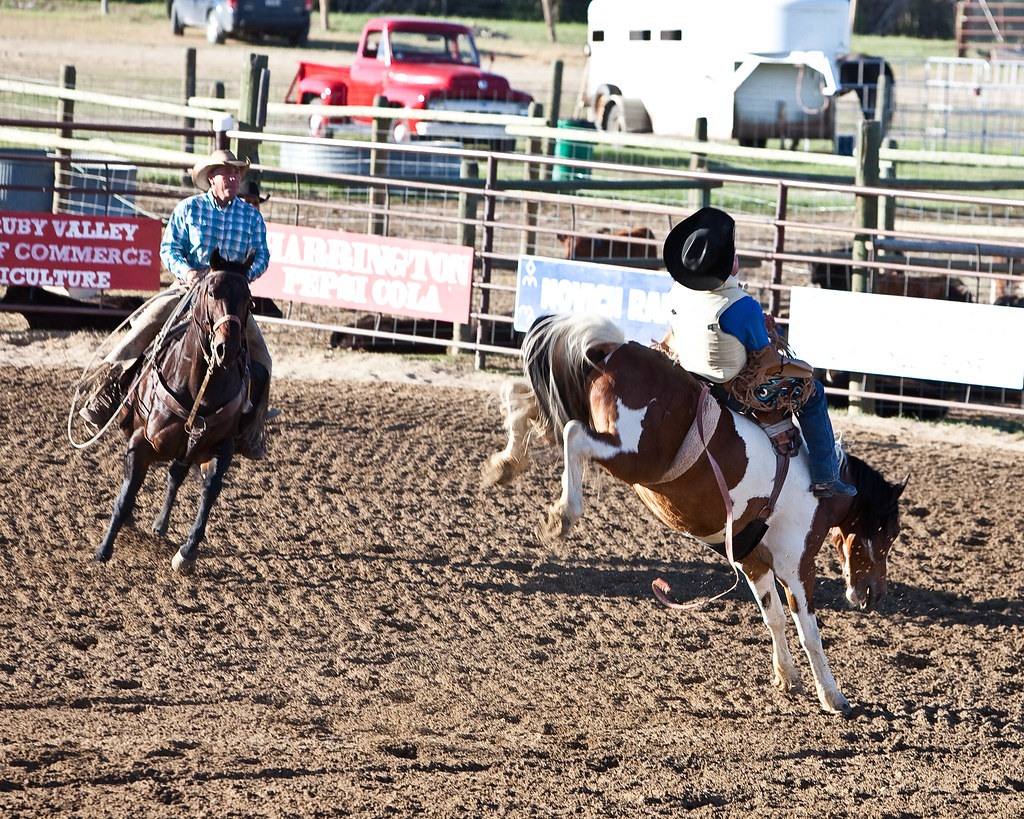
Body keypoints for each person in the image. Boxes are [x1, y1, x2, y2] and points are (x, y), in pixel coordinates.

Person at [80, 149, 272, 459]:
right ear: (212, 178)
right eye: (228, 173)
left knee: (262, 358)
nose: (235, 178)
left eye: (237, 173)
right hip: (189, 289)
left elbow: (262, 255)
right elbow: (169, 249)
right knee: (147, 322)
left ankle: (246, 428)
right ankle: (107, 394)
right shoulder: (188, 209)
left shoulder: (251, 216)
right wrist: (187, 271)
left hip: (227, 301)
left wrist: (242, 275)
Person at [661, 207, 856, 498]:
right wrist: (780, 345)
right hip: (734, 388)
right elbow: (762, 356)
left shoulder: (678, 291)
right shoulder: (741, 306)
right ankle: (827, 477)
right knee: (813, 391)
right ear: (731, 264)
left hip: (693, 373)